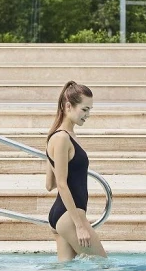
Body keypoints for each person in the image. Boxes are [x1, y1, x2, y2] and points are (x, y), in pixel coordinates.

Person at [45, 81, 107, 261]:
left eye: (90, 110)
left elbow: (49, 184)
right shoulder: (63, 138)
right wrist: (80, 226)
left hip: (62, 215)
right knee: (102, 266)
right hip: (70, 217)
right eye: (85, 109)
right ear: (68, 106)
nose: (88, 115)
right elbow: (61, 185)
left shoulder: (57, 135)